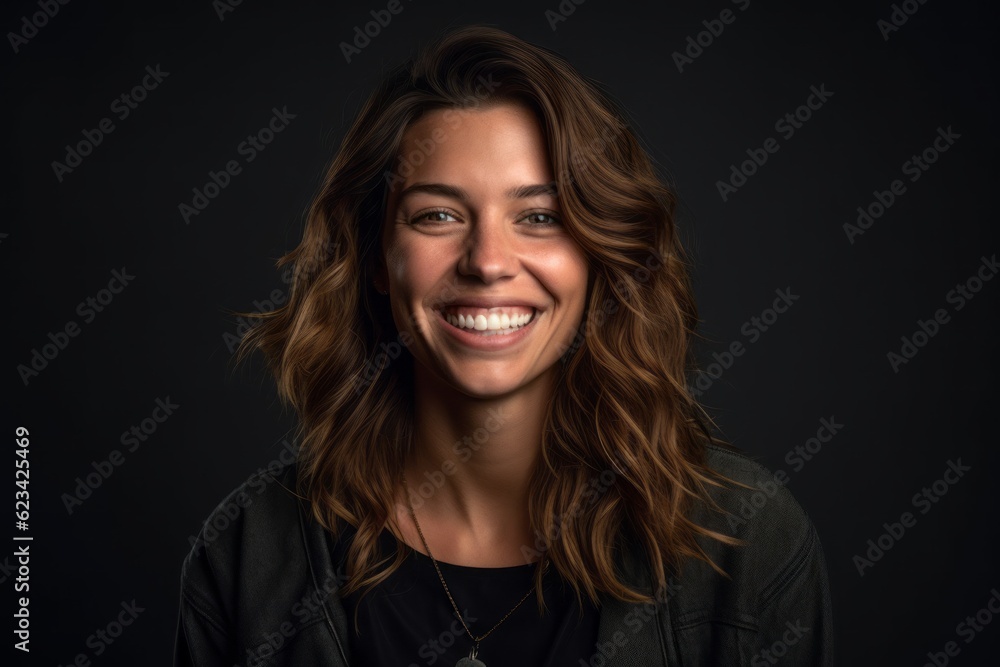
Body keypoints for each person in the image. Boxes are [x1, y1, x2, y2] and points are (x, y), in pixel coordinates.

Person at [173, 25, 834, 667]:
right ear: (376, 254)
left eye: (540, 217)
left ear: (599, 255)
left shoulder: (748, 540)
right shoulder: (244, 557)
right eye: (438, 214)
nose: (488, 262)